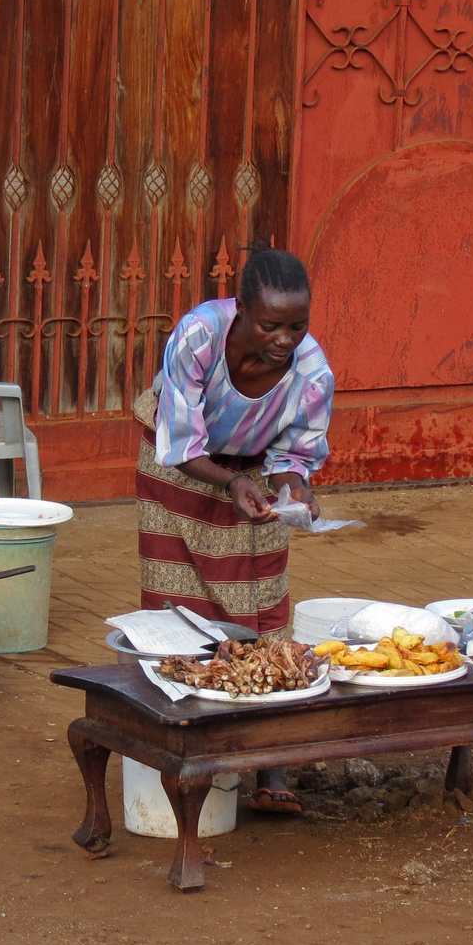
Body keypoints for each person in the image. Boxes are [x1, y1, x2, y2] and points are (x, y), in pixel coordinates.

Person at [133, 241, 334, 813]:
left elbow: (298, 454)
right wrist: (228, 482)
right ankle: (179, 746)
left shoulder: (313, 372)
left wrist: (295, 488)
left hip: (254, 472)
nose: (285, 340)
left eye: (298, 326)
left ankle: (269, 762)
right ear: (241, 309)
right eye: (272, 325)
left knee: (266, 603)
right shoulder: (198, 337)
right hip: (178, 464)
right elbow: (180, 439)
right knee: (176, 602)